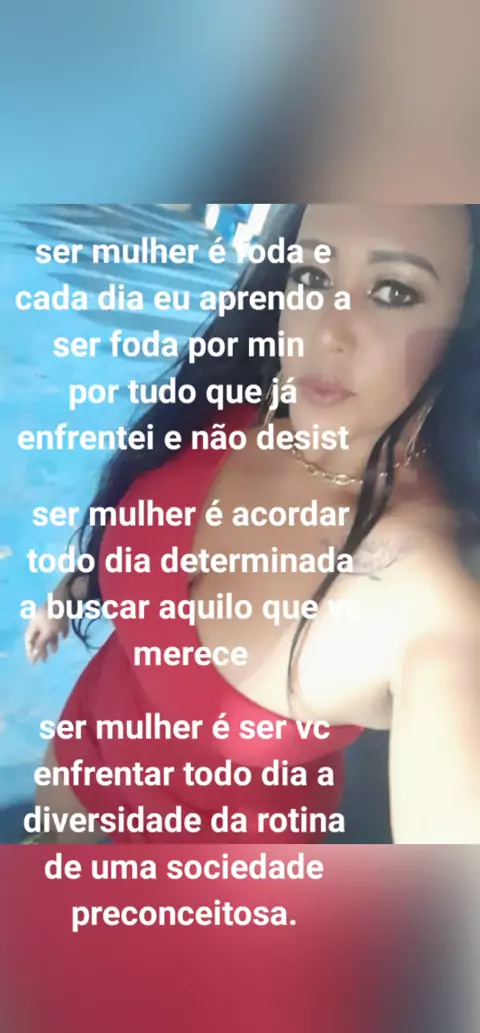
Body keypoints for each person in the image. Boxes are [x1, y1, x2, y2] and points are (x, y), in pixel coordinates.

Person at [25, 205, 480, 844]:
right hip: (86, 752)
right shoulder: (233, 407)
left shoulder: (420, 593)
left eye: (394, 292)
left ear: (463, 330)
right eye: (312, 276)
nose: (326, 331)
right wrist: (73, 589)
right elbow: (137, 536)